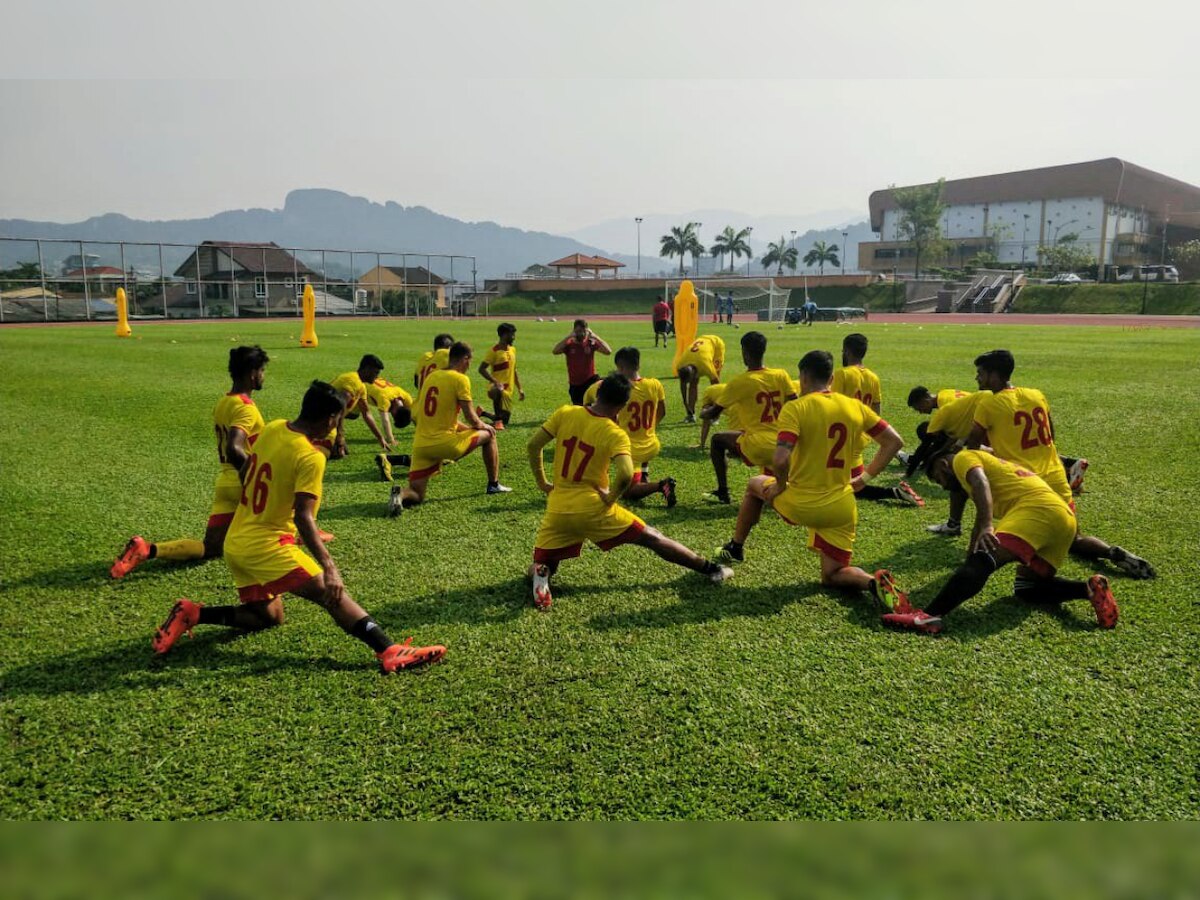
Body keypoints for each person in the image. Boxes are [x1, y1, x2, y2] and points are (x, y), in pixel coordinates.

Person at [150, 381, 446, 674]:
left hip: (237, 540)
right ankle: (390, 650)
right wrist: (329, 566)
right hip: (266, 546)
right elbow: (305, 518)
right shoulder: (310, 457)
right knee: (332, 595)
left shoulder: (274, 428)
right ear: (330, 419)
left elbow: (249, 468)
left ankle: (193, 613)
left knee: (268, 616)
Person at [712, 350, 908, 616]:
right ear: (830, 377)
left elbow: (780, 460)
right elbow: (894, 442)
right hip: (841, 506)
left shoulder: (796, 408)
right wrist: (865, 478)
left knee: (754, 485)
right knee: (833, 575)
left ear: (803, 376)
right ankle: (872, 582)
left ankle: (736, 547)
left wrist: (780, 486)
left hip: (803, 502)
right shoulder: (853, 406)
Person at [526, 374, 733, 610]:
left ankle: (541, 572)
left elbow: (534, 445)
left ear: (599, 392)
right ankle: (712, 569)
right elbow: (625, 474)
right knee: (652, 537)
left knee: (544, 562)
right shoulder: (614, 433)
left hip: (558, 509)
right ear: (623, 406)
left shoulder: (565, 412)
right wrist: (610, 498)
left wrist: (543, 483)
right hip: (594, 508)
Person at [882, 449, 1120, 635]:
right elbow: (979, 512)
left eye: (938, 479)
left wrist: (987, 528)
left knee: (984, 560)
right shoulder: (986, 467)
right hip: (1063, 519)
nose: (943, 486)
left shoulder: (963, 458)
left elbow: (980, 483)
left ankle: (928, 616)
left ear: (944, 465)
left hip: (1037, 509)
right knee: (1028, 588)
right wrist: (970, 558)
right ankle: (1089, 589)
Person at [966, 350, 1154, 578]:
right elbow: (1050, 437)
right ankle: (1111, 552)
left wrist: (993, 453)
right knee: (1074, 538)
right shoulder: (1037, 395)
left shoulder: (988, 404)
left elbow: (973, 445)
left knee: (1000, 529)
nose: (977, 378)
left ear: (994, 376)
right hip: (1055, 476)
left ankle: (971, 565)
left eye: (981, 374)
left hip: (1028, 484)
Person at [112, 346, 271, 578]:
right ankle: (309, 534)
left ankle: (147, 550)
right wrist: (252, 478)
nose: (263, 376)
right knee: (274, 529)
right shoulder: (246, 408)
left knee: (211, 547)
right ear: (252, 373)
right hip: (241, 482)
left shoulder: (223, 402)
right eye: (262, 370)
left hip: (225, 483)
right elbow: (234, 447)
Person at [390, 341, 510, 516]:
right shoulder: (460, 379)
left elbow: (430, 416)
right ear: (465, 359)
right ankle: (494, 485)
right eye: (470, 361)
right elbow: (471, 416)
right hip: (446, 445)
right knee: (489, 435)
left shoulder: (433, 376)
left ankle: (400, 495)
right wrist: (484, 426)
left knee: (417, 493)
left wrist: (467, 429)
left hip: (421, 447)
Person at [906, 384, 1088, 498]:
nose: (920, 412)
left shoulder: (942, 413)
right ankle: (1071, 464)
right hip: (993, 409)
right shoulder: (946, 393)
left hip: (991, 414)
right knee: (1024, 445)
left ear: (923, 400)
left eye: (918, 408)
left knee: (1012, 450)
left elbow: (928, 445)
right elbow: (959, 426)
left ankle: (1058, 476)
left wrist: (913, 468)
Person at [700, 331, 796, 504]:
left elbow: (713, 413)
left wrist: (703, 412)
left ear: (744, 352)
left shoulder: (740, 382)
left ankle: (723, 492)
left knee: (717, 440)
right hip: (786, 445)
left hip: (759, 445)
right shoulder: (781, 374)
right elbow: (795, 403)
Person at [831, 333, 923, 507]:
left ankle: (895, 493)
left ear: (847, 351)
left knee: (835, 487)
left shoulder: (842, 374)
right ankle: (897, 493)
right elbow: (876, 411)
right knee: (855, 485)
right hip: (861, 438)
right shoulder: (873, 377)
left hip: (840, 438)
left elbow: (832, 405)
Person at [582, 347, 675, 506]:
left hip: (630, 450)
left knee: (627, 492)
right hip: (652, 445)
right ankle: (644, 474)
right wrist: (650, 428)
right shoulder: (655, 384)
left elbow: (587, 402)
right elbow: (662, 412)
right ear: (638, 365)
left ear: (620, 368)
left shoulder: (608, 387)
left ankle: (661, 485)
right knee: (639, 445)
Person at [330, 354, 391, 459]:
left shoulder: (361, 386)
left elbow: (366, 413)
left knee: (342, 452)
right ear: (367, 369)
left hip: (331, 419)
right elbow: (339, 408)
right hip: (321, 419)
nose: (377, 377)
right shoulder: (353, 381)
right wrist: (339, 435)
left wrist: (380, 438)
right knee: (335, 453)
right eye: (376, 373)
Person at [477, 322, 524, 430]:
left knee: (505, 420)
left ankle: (482, 413)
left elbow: (514, 370)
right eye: (512, 335)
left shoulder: (512, 350)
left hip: (508, 390)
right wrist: (495, 381)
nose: (514, 337)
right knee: (498, 390)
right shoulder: (493, 351)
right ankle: (497, 422)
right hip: (495, 388)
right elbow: (481, 369)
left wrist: (520, 389)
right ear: (504, 335)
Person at [553, 319, 612, 405]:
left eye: (583, 331)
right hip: (575, 384)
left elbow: (608, 351)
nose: (581, 334)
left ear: (587, 331)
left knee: (607, 385)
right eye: (578, 331)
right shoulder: (569, 344)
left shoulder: (590, 343)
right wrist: (568, 337)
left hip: (590, 381)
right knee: (581, 409)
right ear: (574, 331)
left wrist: (595, 336)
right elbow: (555, 351)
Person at [676, 333, 726, 423]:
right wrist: (685, 404)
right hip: (701, 344)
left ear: (694, 373)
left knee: (714, 381)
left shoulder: (706, 365)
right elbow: (683, 384)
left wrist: (715, 409)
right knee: (693, 383)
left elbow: (716, 386)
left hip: (716, 345)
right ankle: (691, 415)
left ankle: (716, 416)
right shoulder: (681, 365)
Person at [697, 382, 742, 451]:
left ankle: (737, 450)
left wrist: (702, 445)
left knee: (734, 435)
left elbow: (706, 418)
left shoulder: (708, 396)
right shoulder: (713, 390)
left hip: (736, 409)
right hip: (745, 402)